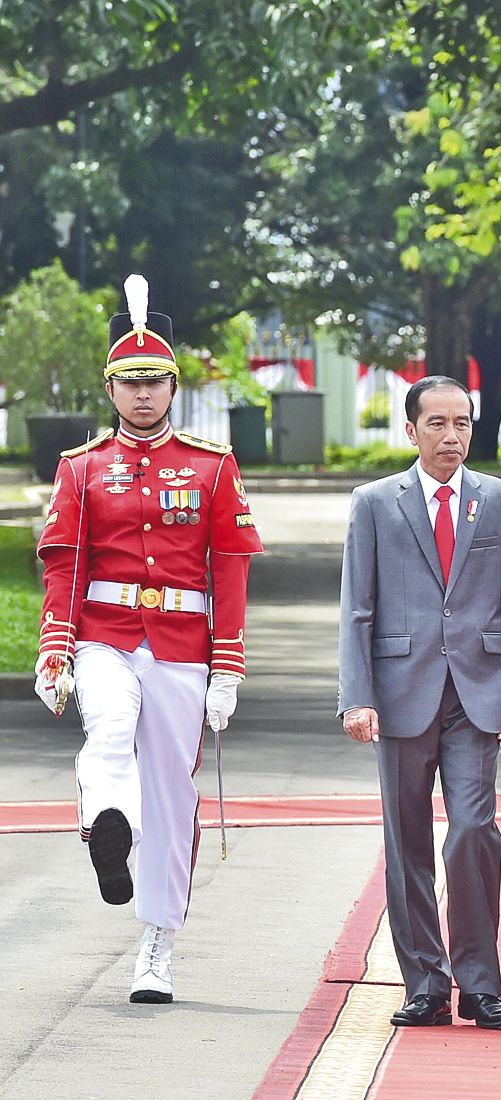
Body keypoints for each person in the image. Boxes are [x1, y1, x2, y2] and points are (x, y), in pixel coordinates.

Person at [34, 275, 262, 1005]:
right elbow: (64, 566)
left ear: (173, 386)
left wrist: (228, 664)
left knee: (173, 790)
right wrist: (53, 648)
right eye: (128, 383)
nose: (142, 395)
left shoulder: (211, 465)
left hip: (181, 643)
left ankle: (156, 945)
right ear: (109, 389)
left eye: (154, 381)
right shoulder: (82, 467)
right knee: (107, 724)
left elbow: (229, 569)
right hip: (103, 633)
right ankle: (110, 827)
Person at [337, 374, 501, 1030]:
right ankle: (425, 980)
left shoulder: (500, 501)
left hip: (478, 694)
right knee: (407, 839)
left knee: (474, 831)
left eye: (463, 423)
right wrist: (356, 697)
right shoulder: (374, 502)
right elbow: (357, 609)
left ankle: (480, 984)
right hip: (399, 693)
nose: (452, 436)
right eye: (437, 424)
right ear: (411, 430)